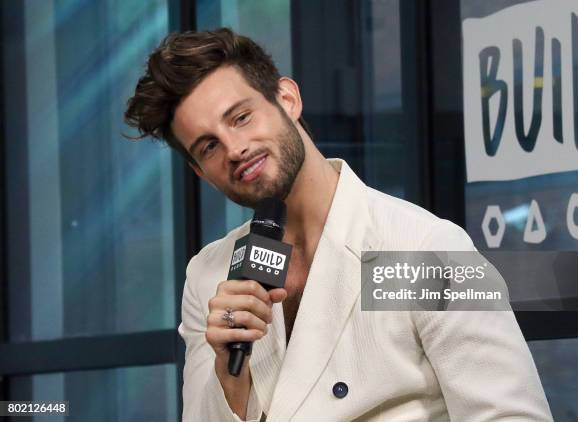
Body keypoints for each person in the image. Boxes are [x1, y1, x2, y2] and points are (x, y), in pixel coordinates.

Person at [124, 28, 553, 422]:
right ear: (200, 171)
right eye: (209, 145)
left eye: (241, 117)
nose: (235, 149)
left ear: (287, 99)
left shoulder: (420, 247)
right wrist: (229, 374)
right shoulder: (209, 275)